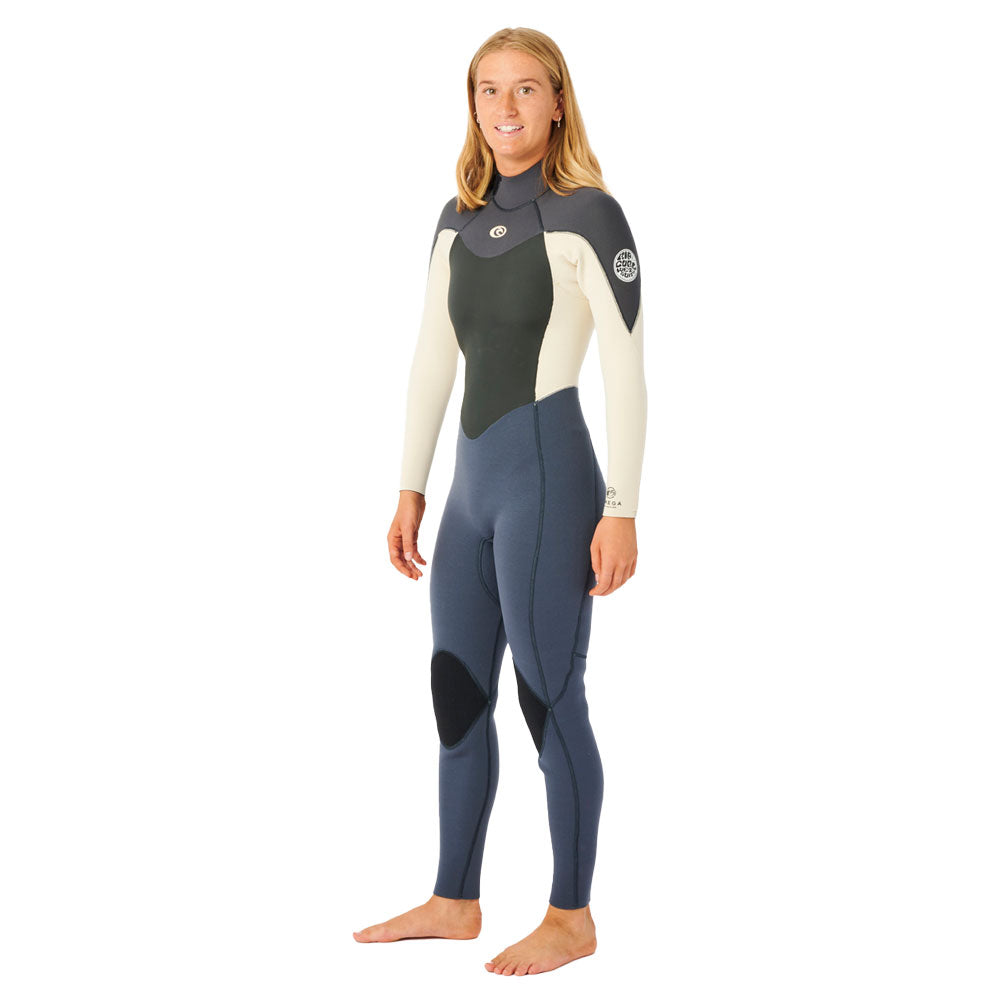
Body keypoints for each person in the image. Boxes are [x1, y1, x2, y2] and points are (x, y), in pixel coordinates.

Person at [354, 26, 647, 976]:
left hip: (551, 487)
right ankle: (455, 898)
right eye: (488, 89)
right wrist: (410, 485)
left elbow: (626, 369)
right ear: (472, 104)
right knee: (457, 694)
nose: (506, 107)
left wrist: (622, 506)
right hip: (470, 495)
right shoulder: (454, 218)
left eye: (526, 89)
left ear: (558, 102)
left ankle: (571, 916)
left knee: (549, 698)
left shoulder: (590, 216)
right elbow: (431, 359)